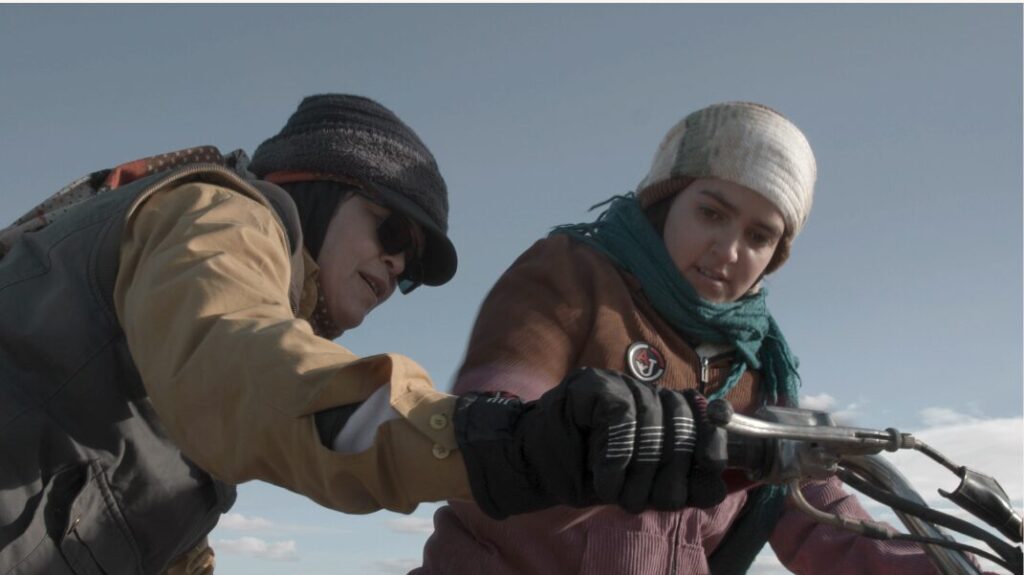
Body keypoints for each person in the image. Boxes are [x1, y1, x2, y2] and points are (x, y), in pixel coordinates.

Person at [0, 94, 727, 575]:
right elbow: (237, 362)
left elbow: (159, 509)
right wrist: (497, 439)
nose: (395, 265)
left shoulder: (243, 354)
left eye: (409, 267)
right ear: (313, 183)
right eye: (390, 230)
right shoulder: (221, 214)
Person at [416, 101, 957, 574]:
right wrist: (555, 425)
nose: (728, 250)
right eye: (712, 213)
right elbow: (496, 406)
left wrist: (937, 563)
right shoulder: (571, 274)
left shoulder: (760, 363)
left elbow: (810, 511)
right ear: (667, 200)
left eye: (759, 235)